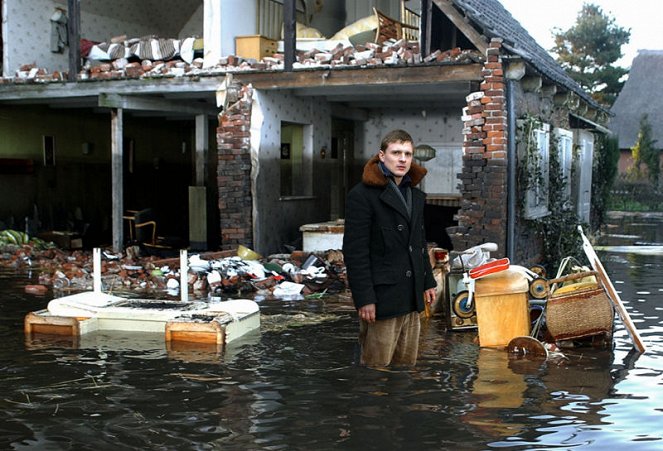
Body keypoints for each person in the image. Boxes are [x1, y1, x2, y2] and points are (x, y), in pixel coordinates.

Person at [343, 129, 437, 367]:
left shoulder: (414, 195)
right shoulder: (362, 196)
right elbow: (355, 252)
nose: (403, 159)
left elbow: (418, 242)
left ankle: (400, 405)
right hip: (382, 298)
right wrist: (364, 298)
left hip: (410, 295)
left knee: (405, 368)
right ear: (382, 156)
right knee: (376, 371)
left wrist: (427, 281)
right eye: (396, 153)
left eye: (407, 153)